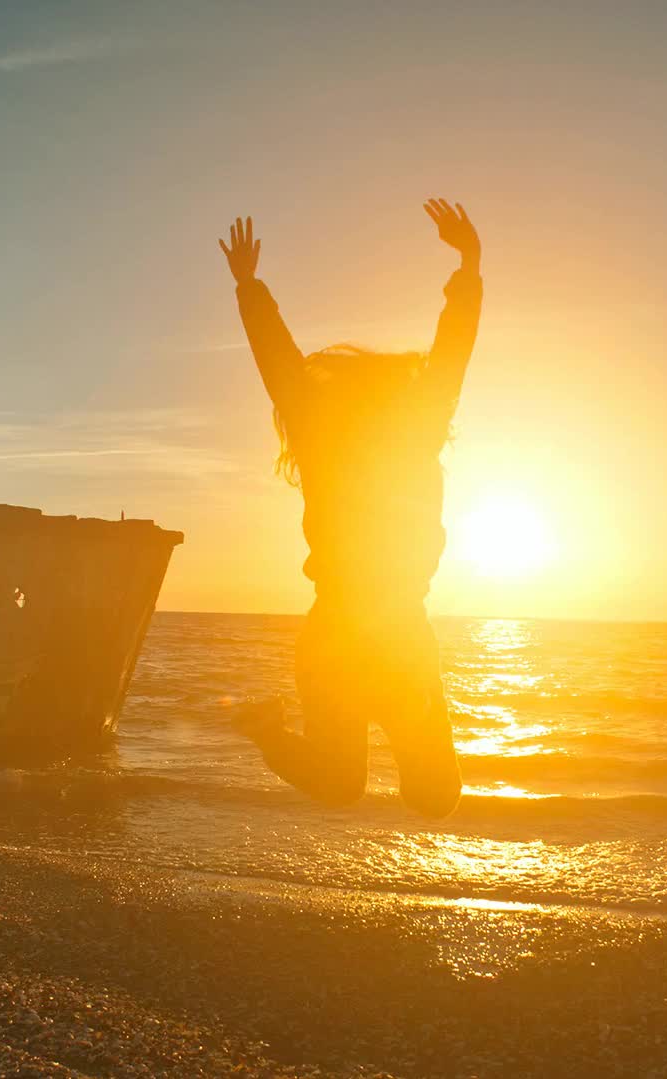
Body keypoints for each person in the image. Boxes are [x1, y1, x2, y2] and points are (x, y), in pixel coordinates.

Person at [218, 200, 483, 819]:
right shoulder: (333, 438)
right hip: (346, 632)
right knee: (342, 786)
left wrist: (470, 268)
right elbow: (281, 368)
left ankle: (265, 730)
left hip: (394, 633)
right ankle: (263, 729)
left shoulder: (407, 431)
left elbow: (450, 357)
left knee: (436, 797)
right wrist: (250, 290)